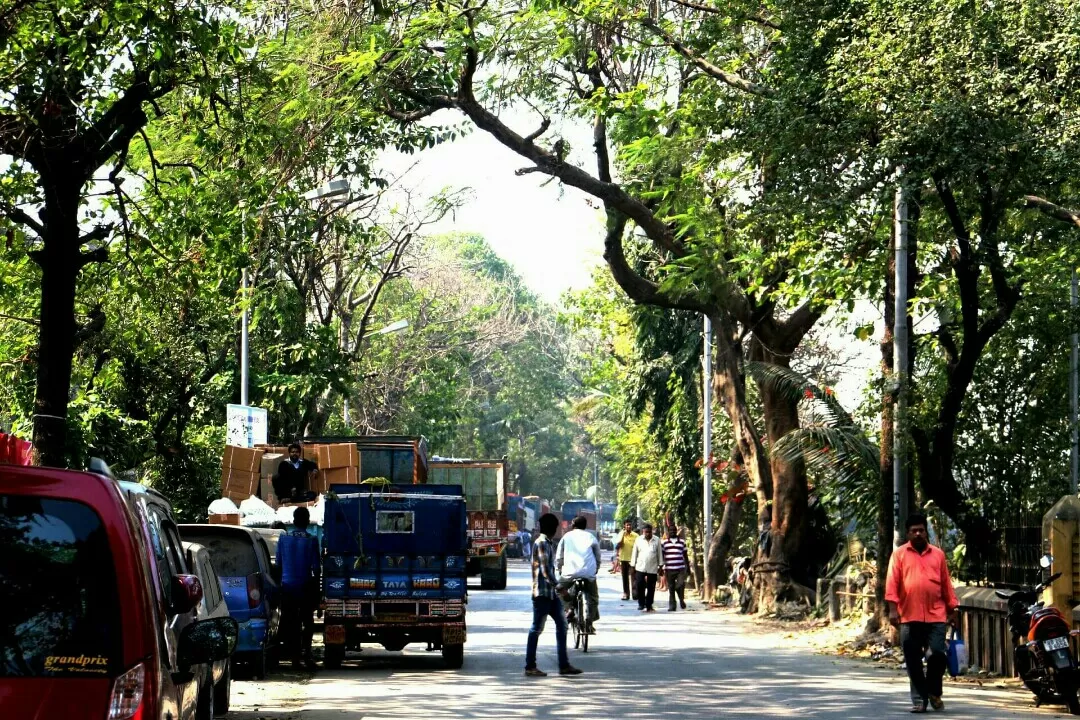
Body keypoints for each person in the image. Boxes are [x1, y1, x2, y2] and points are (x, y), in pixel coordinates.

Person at [885, 513, 959, 713]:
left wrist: (953, 609)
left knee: (937, 654)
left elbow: (946, 584)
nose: (918, 534)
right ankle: (919, 700)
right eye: (914, 531)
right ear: (908, 534)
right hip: (909, 616)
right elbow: (892, 584)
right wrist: (893, 609)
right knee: (913, 660)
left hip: (936, 615)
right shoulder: (899, 555)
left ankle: (934, 691)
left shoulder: (938, 555)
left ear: (926, 532)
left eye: (921, 530)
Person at [525, 513, 582, 677]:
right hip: (542, 594)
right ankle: (530, 666)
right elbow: (545, 571)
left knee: (562, 625)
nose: (557, 529)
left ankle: (564, 665)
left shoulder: (548, 543)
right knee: (536, 629)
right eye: (556, 526)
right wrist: (560, 588)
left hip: (550, 594)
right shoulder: (542, 543)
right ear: (551, 528)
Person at [276, 506, 321, 670]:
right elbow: (316, 569)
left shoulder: (283, 539)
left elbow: (279, 565)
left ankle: (295, 658)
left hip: (287, 587)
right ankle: (307, 655)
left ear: (294, 522)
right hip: (305, 587)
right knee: (307, 622)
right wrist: (317, 593)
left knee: (291, 623)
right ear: (307, 522)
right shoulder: (312, 540)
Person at [555, 515, 601, 633]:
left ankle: (568, 608)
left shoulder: (566, 536)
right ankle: (589, 621)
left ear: (573, 525)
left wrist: (559, 568)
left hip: (570, 572)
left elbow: (559, 556)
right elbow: (597, 556)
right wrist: (595, 569)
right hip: (588, 572)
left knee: (559, 590)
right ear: (585, 526)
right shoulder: (591, 537)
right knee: (593, 597)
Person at [631, 523, 662, 612]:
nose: (648, 534)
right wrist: (632, 566)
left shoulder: (657, 540)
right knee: (640, 585)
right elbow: (634, 553)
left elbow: (659, 553)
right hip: (640, 566)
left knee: (651, 587)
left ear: (652, 531)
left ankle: (649, 604)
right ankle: (641, 604)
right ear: (643, 532)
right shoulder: (638, 540)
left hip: (652, 567)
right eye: (646, 532)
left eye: (649, 532)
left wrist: (660, 566)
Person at [661, 525, 689, 611]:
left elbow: (685, 555)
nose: (672, 532)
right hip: (669, 569)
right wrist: (661, 566)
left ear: (676, 531)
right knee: (671, 588)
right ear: (668, 532)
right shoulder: (664, 543)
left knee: (680, 585)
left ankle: (681, 599)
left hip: (680, 568)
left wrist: (688, 567)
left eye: (674, 530)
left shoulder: (682, 542)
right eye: (671, 530)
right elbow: (662, 555)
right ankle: (672, 606)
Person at [613, 519, 639, 601]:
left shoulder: (636, 536)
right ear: (624, 526)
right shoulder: (621, 534)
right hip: (623, 559)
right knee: (625, 577)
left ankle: (635, 594)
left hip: (633, 559)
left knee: (634, 577)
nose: (628, 526)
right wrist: (622, 535)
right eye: (627, 525)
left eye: (630, 525)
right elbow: (618, 545)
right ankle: (626, 594)